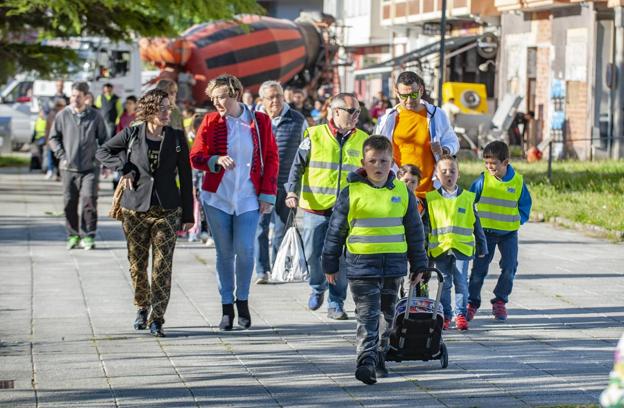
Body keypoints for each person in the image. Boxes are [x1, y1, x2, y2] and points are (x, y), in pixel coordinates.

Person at [322, 135, 428, 384]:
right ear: (363, 162)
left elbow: (414, 231)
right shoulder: (351, 192)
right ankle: (365, 361)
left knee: (387, 317)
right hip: (361, 266)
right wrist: (329, 260)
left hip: (393, 266)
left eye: (384, 161)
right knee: (368, 315)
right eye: (373, 161)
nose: (378, 166)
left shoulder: (402, 192)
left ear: (392, 162)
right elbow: (336, 230)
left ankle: (379, 353)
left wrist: (419, 264)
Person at [96, 89, 194, 337]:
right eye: (161, 107)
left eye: (168, 107)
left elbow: (185, 175)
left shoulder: (177, 137)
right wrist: (124, 167)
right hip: (135, 208)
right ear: (149, 108)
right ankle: (142, 305)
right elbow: (103, 151)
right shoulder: (133, 132)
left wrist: (188, 214)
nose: (165, 112)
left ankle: (157, 318)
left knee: (162, 266)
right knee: (137, 264)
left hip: (168, 209)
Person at [190, 74, 278, 331]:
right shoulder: (209, 121)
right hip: (217, 198)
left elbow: (272, 158)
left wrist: (267, 194)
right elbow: (195, 156)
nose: (217, 102)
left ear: (236, 94)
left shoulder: (259, 121)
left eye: (222, 97)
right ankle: (226, 306)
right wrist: (215, 160)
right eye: (214, 97)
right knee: (224, 253)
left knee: (246, 249)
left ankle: (243, 300)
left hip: (249, 197)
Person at [285, 93, 369, 320]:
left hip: (346, 211)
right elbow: (297, 166)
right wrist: (291, 190)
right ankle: (316, 286)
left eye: (358, 112)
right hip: (315, 208)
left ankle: (336, 302)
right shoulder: (313, 135)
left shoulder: (363, 139)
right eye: (352, 112)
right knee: (313, 254)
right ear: (336, 111)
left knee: (340, 257)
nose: (356, 116)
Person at [467, 141, 532, 321]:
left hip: (509, 234)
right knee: (479, 270)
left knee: (510, 267)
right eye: (486, 163)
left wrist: (519, 220)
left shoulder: (518, 181)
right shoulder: (482, 180)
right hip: (485, 234)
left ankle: (500, 302)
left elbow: (525, 205)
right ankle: (471, 303)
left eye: (493, 163)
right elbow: (468, 201)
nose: (489, 167)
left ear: (505, 162)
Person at [375, 71, 459, 202]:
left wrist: (444, 150)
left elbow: (453, 141)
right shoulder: (386, 120)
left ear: (421, 89)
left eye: (413, 95)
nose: (409, 100)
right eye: (404, 96)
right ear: (396, 92)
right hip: (398, 190)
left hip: (430, 191)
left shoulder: (437, 115)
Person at [425, 155, 487, 331]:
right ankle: (445, 315)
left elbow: (476, 224)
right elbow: (427, 226)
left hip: (462, 248)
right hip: (440, 249)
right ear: (437, 175)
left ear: (458, 174)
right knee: (444, 283)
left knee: (461, 282)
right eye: (444, 171)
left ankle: (461, 314)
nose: (448, 175)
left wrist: (482, 245)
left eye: (452, 171)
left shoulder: (468, 198)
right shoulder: (431, 199)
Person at [254, 80, 307, 284]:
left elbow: (304, 151)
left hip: (286, 183)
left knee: (282, 227)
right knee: (260, 227)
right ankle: (261, 270)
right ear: (262, 100)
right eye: (270, 97)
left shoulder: (297, 119)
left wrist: (298, 182)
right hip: (259, 185)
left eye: (278, 96)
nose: (275, 101)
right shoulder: (254, 119)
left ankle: (277, 266)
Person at [49, 81, 108, 250]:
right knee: (70, 203)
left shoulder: (95, 116)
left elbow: (104, 140)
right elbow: (53, 138)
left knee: (89, 201)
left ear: (86, 97)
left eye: (79, 96)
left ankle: (88, 235)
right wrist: (62, 155)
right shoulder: (63, 115)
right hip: (68, 168)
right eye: (73, 96)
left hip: (90, 168)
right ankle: (73, 235)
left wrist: (101, 161)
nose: (75, 99)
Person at [44, 98, 66, 180]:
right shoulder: (52, 114)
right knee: (53, 156)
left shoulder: (66, 114)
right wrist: (47, 138)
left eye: (62, 106)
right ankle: (52, 171)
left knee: (59, 157)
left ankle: (58, 174)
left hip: (63, 140)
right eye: (59, 106)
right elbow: (47, 127)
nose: (61, 107)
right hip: (53, 139)